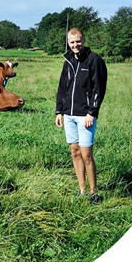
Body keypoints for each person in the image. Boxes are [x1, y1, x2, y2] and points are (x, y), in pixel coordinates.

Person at [55, 28, 107, 204]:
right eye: (72, 42)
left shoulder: (94, 60)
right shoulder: (68, 60)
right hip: (68, 115)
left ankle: (94, 193)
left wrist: (92, 112)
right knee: (74, 151)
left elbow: (98, 88)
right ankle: (82, 190)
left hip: (85, 115)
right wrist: (59, 111)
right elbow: (63, 88)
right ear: (68, 43)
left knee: (86, 154)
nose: (75, 45)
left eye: (78, 41)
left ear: (83, 40)